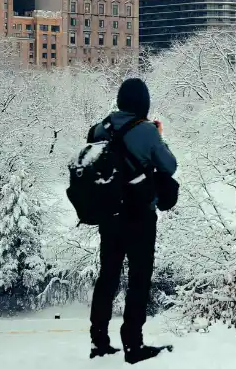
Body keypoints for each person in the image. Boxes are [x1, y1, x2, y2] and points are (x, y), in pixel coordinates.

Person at [87, 78, 178, 364]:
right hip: (139, 215)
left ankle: (99, 341)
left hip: (110, 215)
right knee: (139, 279)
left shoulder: (102, 128)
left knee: (108, 277)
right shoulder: (147, 131)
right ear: (143, 102)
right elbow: (170, 165)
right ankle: (133, 345)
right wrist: (158, 136)